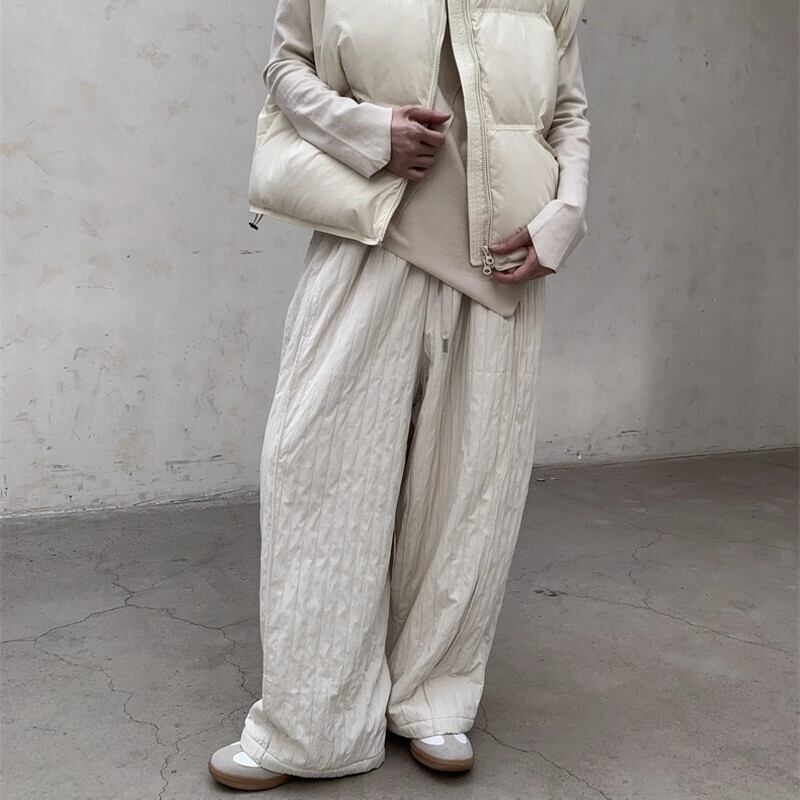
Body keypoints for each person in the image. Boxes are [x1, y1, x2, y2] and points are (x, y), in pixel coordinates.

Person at [209, 0, 590, 790]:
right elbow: (287, 66)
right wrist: (366, 131)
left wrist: (565, 216)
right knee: (318, 474)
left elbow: (569, 111)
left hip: (500, 263)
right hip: (368, 239)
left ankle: (433, 698)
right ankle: (311, 725)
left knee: (467, 494)